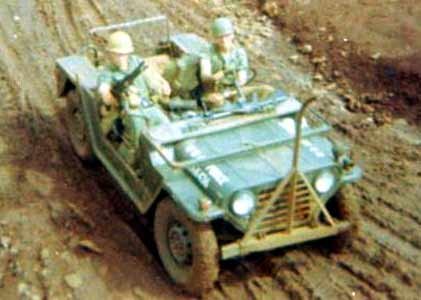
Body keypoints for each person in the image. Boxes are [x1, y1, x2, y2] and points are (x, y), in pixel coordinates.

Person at [97, 31, 171, 165]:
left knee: (165, 126)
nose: (121, 58)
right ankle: (123, 164)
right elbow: (104, 89)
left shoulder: (136, 62)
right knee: (135, 137)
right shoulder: (108, 71)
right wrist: (108, 97)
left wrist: (162, 84)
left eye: (124, 54)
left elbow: (151, 74)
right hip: (129, 110)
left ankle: (161, 160)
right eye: (117, 55)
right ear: (110, 54)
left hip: (147, 104)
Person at [200, 17, 273, 108]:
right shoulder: (208, 51)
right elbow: (204, 75)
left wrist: (236, 86)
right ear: (215, 38)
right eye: (220, 37)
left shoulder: (239, 53)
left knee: (267, 90)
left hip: (234, 90)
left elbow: (242, 78)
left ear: (232, 35)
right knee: (218, 102)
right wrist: (213, 77)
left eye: (227, 35)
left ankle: (257, 113)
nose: (223, 40)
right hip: (214, 92)